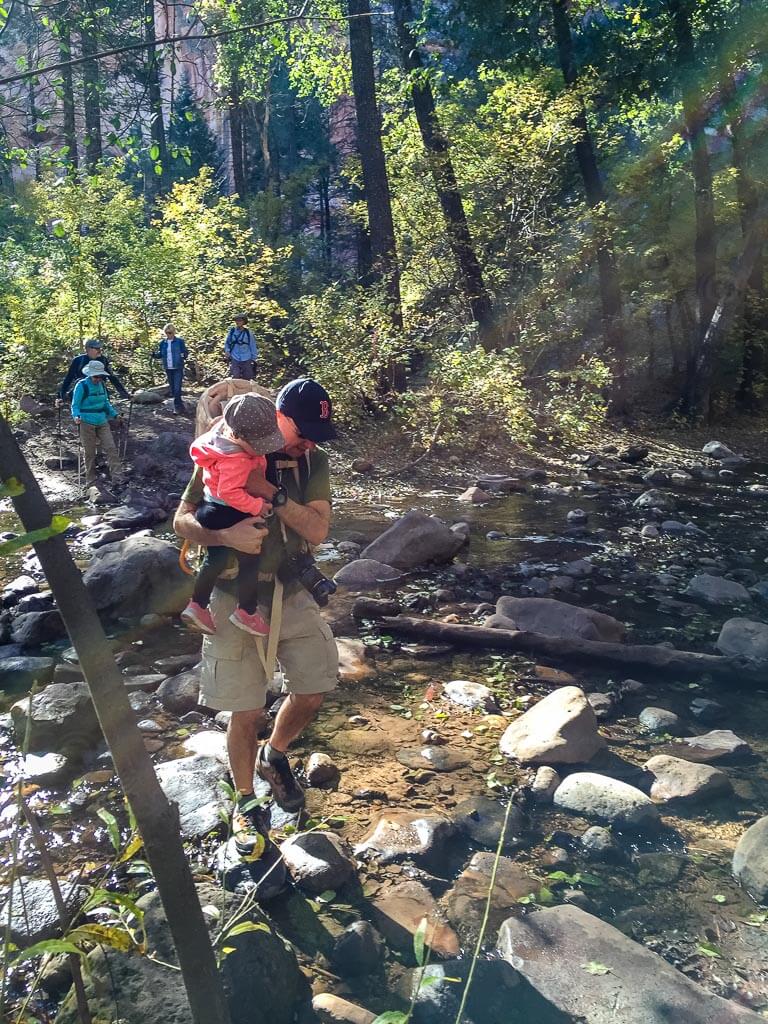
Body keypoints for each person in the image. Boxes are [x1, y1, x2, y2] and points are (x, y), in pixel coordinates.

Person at [173, 377, 338, 862]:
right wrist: (225, 537)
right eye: (303, 429)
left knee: (313, 688)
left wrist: (274, 494)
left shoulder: (311, 460)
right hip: (230, 594)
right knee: (245, 709)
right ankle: (245, 803)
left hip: (292, 589)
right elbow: (181, 520)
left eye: (316, 432)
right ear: (276, 415)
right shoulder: (229, 445)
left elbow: (320, 530)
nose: (309, 439)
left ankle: (276, 753)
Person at [181, 393, 284, 637]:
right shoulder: (236, 459)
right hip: (225, 510)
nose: (262, 450)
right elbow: (230, 492)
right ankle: (246, 611)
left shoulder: (219, 436)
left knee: (214, 560)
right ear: (237, 436)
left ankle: (197, 604)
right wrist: (256, 506)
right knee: (250, 560)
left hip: (209, 506)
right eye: (257, 445)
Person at [71, 360, 124, 489]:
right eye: (96, 376)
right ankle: (91, 480)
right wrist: (76, 416)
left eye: (100, 376)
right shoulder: (81, 386)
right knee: (89, 452)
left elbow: (106, 403)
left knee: (111, 448)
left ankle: (118, 479)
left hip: (102, 420)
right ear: (90, 375)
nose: (98, 379)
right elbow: (75, 405)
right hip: (86, 421)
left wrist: (115, 415)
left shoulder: (102, 385)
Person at [58, 338, 130, 402]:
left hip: (99, 392)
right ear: (88, 349)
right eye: (96, 348)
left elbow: (112, 378)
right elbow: (69, 378)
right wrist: (62, 395)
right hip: (82, 392)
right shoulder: (78, 360)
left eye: (100, 348)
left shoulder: (103, 360)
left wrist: (125, 394)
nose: (99, 350)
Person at [152, 324, 188, 414]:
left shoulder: (179, 341)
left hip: (177, 367)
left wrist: (183, 356)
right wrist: (154, 355)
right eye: (167, 333)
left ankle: (177, 408)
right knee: (172, 389)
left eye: (170, 332)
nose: (169, 334)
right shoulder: (162, 343)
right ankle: (181, 406)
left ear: (174, 332)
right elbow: (160, 355)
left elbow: (185, 352)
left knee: (177, 389)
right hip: (168, 368)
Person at [224, 314, 258, 380]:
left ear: (243, 322)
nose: (238, 322)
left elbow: (252, 345)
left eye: (240, 320)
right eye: (237, 320)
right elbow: (227, 343)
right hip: (235, 356)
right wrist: (227, 351)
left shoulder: (248, 333)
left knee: (248, 377)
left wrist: (254, 358)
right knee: (235, 376)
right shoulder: (232, 331)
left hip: (247, 357)